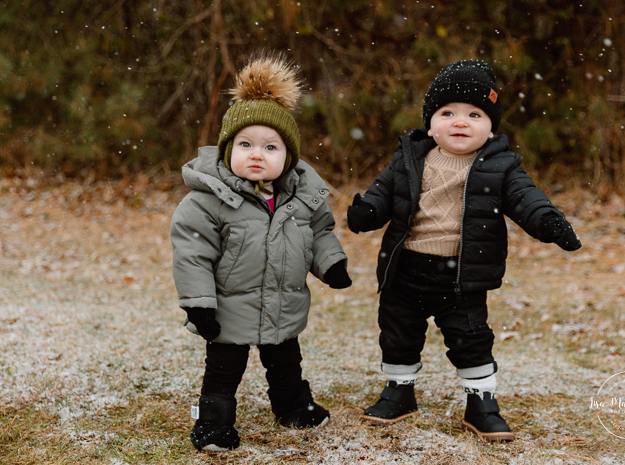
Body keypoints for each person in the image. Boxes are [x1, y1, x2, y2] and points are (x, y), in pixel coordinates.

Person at [346, 59, 581, 442]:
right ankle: (398, 391)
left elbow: (527, 199)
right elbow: (383, 193)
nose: (460, 121)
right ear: (430, 122)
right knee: (397, 333)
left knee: (470, 338)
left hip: (460, 277)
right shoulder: (409, 158)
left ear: (490, 129)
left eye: (475, 114)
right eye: (448, 112)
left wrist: (548, 222)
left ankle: (481, 403)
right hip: (405, 270)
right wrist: (367, 211)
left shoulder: (500, 167)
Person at [170, 52, 352, 451]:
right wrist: (199, 303)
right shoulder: (207, 202)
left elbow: (319, 232)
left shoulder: (300, 198)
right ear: (226, 149)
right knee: (222, 371)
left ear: (288, 157)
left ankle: (293, 407)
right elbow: (193, 253)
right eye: (246, 144)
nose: (257, 154)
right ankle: (213, 425)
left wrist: (331, 263)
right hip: (228, 309)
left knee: (286, 362)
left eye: (270, 147)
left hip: (283, 303)